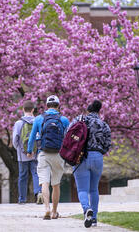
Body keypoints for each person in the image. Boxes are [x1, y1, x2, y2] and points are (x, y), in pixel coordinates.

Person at [27, 95, 69, 220]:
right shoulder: (64, 120)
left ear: (46, 106)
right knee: (55, 184)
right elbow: (67, 138)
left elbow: (32, 137)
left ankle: (46, 209)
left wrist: (30, 151)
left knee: (44, 182)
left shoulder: (39, 118)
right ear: (58, 105)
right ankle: (54, 212)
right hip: (58, 154)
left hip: (43, 153)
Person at [70, 99, 111, 228]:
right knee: (94, 189)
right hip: (97, 157)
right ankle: (94, 219)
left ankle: (86, 209)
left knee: (82, 189)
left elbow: (69, 135)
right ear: (99, 111)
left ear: (88, 110)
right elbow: (107, 144)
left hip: (81, 157)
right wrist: (99, 152)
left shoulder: (79, 120)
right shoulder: (103, 125)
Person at [13, 101, 43, 204]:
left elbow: (15, 140)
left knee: (22, 176)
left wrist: (20, 150)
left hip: (22, 155)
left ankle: (22, 199)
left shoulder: (18, 123)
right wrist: (35, 150)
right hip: (35, 154)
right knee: (36, 173)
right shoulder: (38, 121)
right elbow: (40, 137)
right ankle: (38, 192)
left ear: (23, 110)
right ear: (33, 110)